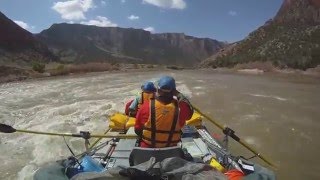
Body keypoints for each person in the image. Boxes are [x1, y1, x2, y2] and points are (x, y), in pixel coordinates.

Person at [134, 76, 193, 148]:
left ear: (158, 90)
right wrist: (178, 94)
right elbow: (189, 113)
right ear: (174, 91)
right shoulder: (182, 108)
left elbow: (137, 129)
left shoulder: (146, 106)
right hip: (171, 149)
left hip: (148, 149)